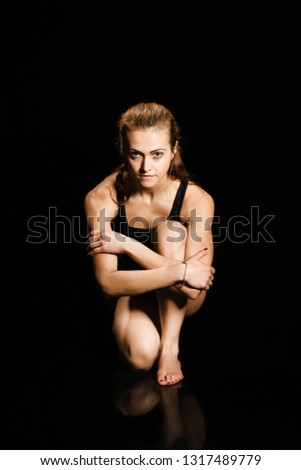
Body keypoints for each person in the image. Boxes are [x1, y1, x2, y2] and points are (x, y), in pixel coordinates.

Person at [84, 101, 215, 386]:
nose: (146, 167)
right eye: (136, 155)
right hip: (135, 292)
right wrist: (181, 271)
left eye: (157, 155)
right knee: (139, 358)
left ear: (174, 150)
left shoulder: (196, 200)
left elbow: (193, 288)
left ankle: (171, 347)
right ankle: (156, 341)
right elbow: (107, 284)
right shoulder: (101, 198)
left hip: (182, 298)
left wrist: (130, 246)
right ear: (122, 149)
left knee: (169, 230)